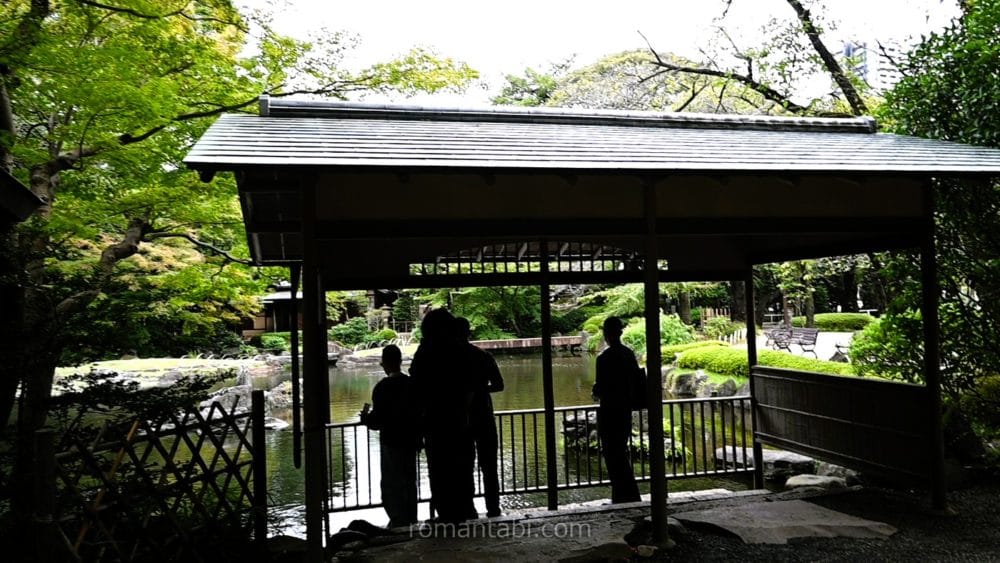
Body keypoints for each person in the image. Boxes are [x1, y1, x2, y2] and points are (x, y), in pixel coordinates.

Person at [408, 308, 477, 521]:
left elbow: (416, 384)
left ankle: (446, 513)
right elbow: (470, 384)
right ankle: (464, 510)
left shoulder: (426, 350)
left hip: (434, 419)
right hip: (460, 418)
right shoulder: (461, 350)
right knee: (462, 468)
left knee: (440, 469)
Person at [359, 344, 420, 527]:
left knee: (392, 481)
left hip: (391, 440)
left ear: (384, 363)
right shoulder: (411, 384)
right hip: (410, 438)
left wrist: (365, 419)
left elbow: (377, 420)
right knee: (409, 479)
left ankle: (397, 518)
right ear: (400, 361)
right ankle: (411, 516)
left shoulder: (382, 388)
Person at [455, 316, 505, 517]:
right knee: (489, 465)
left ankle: (469, 508)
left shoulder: (451, 361)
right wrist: (482, 389)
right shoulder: (483, 356)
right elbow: (499, 385)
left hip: (462, 418)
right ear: (469, 332)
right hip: (484, 416)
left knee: (465, 466)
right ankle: (493, 507)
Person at [591, 316, 641, 503]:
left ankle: (622, 496)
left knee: (612, 455)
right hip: (625, 411)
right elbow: (636, 381)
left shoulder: (604, 358)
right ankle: (628, 495)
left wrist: (596, 391)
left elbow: (600, 388)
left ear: (606, 333)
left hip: (610, 411)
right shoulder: (628, 354)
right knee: (621, 453)